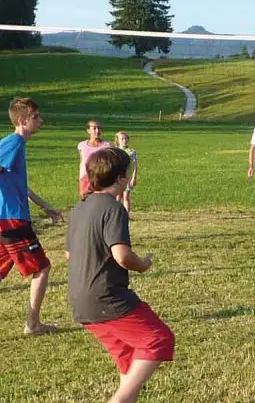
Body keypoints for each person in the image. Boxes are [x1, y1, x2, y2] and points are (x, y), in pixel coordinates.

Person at [66, 148, 175, 403]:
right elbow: (122, 256)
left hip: (81, 300)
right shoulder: (113, 210)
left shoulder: (79, 208)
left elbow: (70, 255)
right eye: (126, 172)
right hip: (106, 297)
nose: (128, 177)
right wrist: (144, 265)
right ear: (118, 178)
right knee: (158, 339)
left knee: (129, 361)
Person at [0, 97, 63, 335]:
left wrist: (45, 206)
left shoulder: (18, 146)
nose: (41, 121)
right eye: (36, 117)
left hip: (9, 218)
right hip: (11, 219)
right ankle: (33, 324)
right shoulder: (14, 142)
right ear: (23, 120)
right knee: (42, 268)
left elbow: (18, 185)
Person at [78, 119, 111, 197]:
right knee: (85, 199)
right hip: (85, 178)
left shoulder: (107, 146)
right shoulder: (82, 145)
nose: (97, 131)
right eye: (94, 128)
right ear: (88, 130)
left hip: (101, 178)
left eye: (99, 128)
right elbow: (82, 161)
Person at [114, 131, 138, 214]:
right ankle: (116, 213)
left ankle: (126, 215)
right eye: (122, 139)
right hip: (118, 177)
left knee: (126, 196)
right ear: (118, 140)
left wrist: (134, 177)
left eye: (126, 138)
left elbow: (135, 165)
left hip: (128, 177)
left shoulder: (132, 152)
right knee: (118, 196)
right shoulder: (116, 151)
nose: (124, 140)